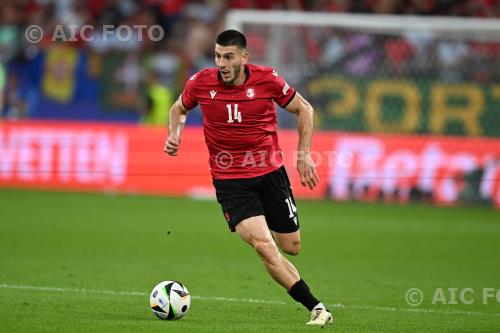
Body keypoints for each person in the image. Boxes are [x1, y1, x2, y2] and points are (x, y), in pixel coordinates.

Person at [163, 29, 333, 326]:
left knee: (291, 247)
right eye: (217, 56)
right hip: (231, 182)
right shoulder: (201, 82)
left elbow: (304, 109)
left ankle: (278, 248)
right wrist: (174, 134)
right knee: (263, 245)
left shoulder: (267, 79)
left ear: (244, 57)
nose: (222, 63)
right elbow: (179, 109)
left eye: (228, 57)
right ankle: (316, 307)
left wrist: (303, 154)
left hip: (271, 174)